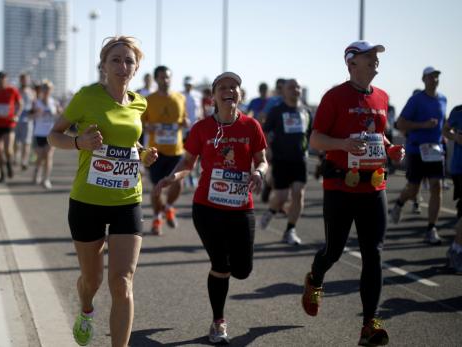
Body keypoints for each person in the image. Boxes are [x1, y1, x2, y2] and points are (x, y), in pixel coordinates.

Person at [47, 36, 157, 347]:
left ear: (136, 68)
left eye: (129, 61)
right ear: (104, 66)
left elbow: (128, 143)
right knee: (92, 280)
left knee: (122, 283)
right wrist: (79, 143)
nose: (123, 66)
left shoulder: (140, 102)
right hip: (87, 201)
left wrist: (143, 153)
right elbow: (54, 136)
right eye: (116, 60)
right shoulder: (86, 97)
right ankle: (85, 309)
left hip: (127, 200)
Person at [301, 40, 404, 347]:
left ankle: (369, 324)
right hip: (340, 185)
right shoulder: (334, 96)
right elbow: (316, 139)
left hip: (373, 185)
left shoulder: (382, 97)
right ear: (351, 63)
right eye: (368, 57)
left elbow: (379, 134)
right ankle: (315, 279)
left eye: (376, 57)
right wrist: (342, 145)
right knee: (334, 250)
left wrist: (390, 148)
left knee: (373, 253)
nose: (375, 61)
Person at [154, 71, 267, 344]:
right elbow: (187, 164)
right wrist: (173, 177)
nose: (229, 91)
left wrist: (260, 173)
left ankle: (229, 273)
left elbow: (262, 160)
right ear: (214, 96)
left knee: (242, 270)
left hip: (241, 207)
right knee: (221, 264)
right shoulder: (202, 128)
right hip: (207, 207)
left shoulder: (251, 126)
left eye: (234, 87)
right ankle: (218, 321)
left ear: (240, 94)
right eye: (223, 87)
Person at [389, 66, 447, 245]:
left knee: (436, 187)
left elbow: (442, 125)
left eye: (436, 77)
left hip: (435, 151)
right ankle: (399, 203)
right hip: (416, 150)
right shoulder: (416, 100)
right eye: (431, 77)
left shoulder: (443, 99)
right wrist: (423, 126)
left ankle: (431, 228)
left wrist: (443, 137)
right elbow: (400, 123)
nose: (434, 80)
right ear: (423, 79)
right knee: (414, 189)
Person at [259, 79, 312, 245]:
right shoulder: (277, 111)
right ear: (284, 92)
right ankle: (270, 211)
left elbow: (309, 134)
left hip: (300, 160)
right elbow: (265, 132)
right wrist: (267, 151)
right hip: (281, 159)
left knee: (298, 193)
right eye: (291, 87)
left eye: (298, 87)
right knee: (281, 197)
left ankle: (290, 230)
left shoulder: (306, 112)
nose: (295, 89)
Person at [142, 65, 188, 235]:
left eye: (168, 77)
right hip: (156, 152)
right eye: (162, 77)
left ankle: (168, 207)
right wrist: (149, 127)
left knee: (179, 182)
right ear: (156, 79)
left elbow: (184, 120)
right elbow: (141, 124)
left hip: (176, 150)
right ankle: (157, 218)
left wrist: (186, 123)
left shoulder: (179, 98)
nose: (165, 80)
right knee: (157, 189)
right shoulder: (149, 100)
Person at [442, 104, 462, 273]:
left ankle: (456, 250)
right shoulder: (458, 112)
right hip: (460, 168)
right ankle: (456, 250)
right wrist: (455, 137)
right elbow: (445, 130)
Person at [32, 80, 61, 190]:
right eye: (45, 88)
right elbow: (31, 116)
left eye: (49, 89)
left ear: (51, 90)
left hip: (50, 133)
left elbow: (60, 114)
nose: (47, 91)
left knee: (48, 155)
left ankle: (46, 179)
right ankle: (37, 172)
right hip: (39, 133)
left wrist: (59, 111)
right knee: (40, 156)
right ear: (42, 90)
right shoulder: (37, 102)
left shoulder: (54, 102)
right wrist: (37, 113)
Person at [14, 73, 36, 170]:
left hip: (28, 119)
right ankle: (16, 157)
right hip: (16, 119)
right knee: (16, 142)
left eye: (26, 79)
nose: (24, 81)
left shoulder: (32, 92)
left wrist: (33, 114)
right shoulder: (16, 91)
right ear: (20, 80)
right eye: (22, 79)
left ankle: (24, 161)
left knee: (26, 142)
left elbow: (35, 105)